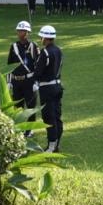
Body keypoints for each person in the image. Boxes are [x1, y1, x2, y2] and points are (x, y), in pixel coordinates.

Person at [35, 24, 64, 153]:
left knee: (48, 117)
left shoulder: (45, 52)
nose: (41, 40)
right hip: (58, 86)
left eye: (41, 37)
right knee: (57, 116)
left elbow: (38, 71)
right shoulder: (59, 51)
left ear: (45, 38)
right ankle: (57, 143)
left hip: (47, 88)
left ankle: (52, 146)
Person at [8, 20, 39, 118]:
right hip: (16, 81)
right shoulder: (13, 47)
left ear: (27, 33)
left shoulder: (33, 46)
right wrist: (9, 81)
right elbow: (10, 65)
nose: (19, 33)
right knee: (17, 107)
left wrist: (36, 82)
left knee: (30, 106)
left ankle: (29, 130)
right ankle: (19, 129)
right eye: (18, 30)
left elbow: (37, 65)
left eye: (22, 31)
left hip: (29, 80)